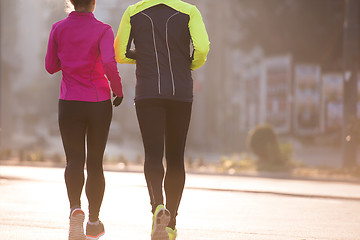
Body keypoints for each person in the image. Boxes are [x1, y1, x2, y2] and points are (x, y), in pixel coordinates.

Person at [114, 0, 209, 239]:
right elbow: (203, 48)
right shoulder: (189, 11)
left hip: (148, 93)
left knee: (153, 155)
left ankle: (157, 205)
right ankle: (171, 222)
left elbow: (120, 53)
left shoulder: (133, 12)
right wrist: (188, 63)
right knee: (176, 158)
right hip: (181, 92)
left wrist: (144, 56)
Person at [45, 0, 123, 239]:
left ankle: (74, 210)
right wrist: (118, 90)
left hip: (69, 102)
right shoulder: (103, 29)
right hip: (98, 102)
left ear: (70, 2)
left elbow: (50, 66)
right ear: (93, 3)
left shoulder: (58, 28)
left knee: (74, 160)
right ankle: (93, 221)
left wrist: (69, 62)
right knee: (95, 164)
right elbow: (109, 62)